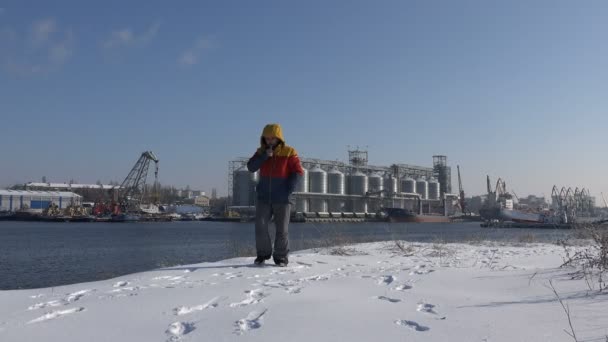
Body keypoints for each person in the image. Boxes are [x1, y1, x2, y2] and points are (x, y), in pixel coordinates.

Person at [247, 123, 303, 266]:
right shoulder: (261, 152)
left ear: (279, 138)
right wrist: (264, 156)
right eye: (266, 138)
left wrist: (289, 189)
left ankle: (281, 257)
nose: (269, 141)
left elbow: (298, 172)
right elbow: (251, 167)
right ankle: (263, 254)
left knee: (282, 229)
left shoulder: (289, 152)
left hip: (283, 198)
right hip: (263, 197)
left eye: (272, 138)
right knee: (260, 226)